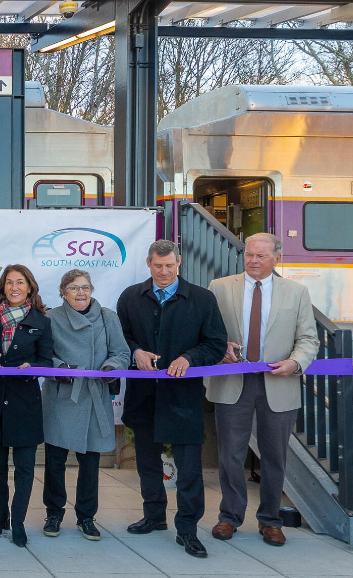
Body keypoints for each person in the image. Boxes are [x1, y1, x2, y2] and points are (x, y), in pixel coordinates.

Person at [117, 239, 228, 558]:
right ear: (148, 263)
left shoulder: (202, 299)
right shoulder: (130, 297)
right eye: (157, 265)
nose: (164, 272)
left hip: (183, 398)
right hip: (143, 397)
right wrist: (135, 352)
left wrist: (189, 358)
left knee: (189, 469)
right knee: (147, 464)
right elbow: (119, 337)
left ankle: (188, 529)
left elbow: (216, 344)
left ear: (179, 263)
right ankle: (153, 517)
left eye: (170, 265)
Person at [207, 232, 318, 547]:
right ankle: (229, 517)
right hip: (232, 381)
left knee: (274, 457)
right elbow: (208, 331)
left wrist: (295, 363)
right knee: (230, 454)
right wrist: (220, 347)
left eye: (261, 256)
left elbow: (308, 338)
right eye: (249, 255)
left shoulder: (296, 292)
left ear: (276, 259)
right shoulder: (220, 287)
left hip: (278, 383)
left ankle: (270, 521)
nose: (253, 261)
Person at [41, 269, 129, 541]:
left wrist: (111, 367)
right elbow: (43, 355)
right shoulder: (51, 318)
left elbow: (121, 352)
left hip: (93, 396)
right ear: (63, 292)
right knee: (54, 461)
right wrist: (62, 368)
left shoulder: (108, 317)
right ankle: (54, 513)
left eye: (86, 288)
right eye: (74, 288)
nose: (81, 293)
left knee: (90, 463)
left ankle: (86, 517)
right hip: (61, 395)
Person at [0, 264, 53, 547]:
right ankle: (1, 516)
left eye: (20, 282)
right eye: (9, 283)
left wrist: (32, 366)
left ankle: (18, 521)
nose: (14, 287)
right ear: (3, 287)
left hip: (25, 403)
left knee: (24, 469)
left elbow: (48, 360)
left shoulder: (42, 321)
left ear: (30, 287)